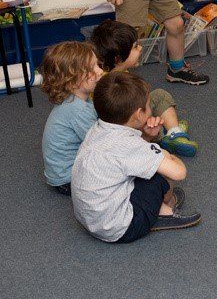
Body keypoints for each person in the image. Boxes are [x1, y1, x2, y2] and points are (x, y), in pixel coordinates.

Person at [71, 72, 201, 243]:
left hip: (91, 219)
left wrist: (146, 137)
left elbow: (127, 157)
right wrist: (164, 152)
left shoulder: (97, 129)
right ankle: (165, 211)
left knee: (145, 166)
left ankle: (154, 207)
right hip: (120, 229)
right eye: (148, 105)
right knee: (160, 175)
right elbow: (179, 173)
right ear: (139, 114)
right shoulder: (129, 144)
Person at [90, 19, 199, 157]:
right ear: (118, 59)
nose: (140, 48)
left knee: (159, 95)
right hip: (124, 128)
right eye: (135, 47)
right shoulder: (108, 85)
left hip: (133, 119)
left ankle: (173, 132)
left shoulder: (118, 74)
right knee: (155, 102)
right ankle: (169, 133)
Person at [40, 42, 104, 196]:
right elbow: (101, 144)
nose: (100, 71)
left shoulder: (78, 99)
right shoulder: (77, 109)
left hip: (62, 173)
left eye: (97, 64)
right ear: (72, 80)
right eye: (92, 68)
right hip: (67, 179)